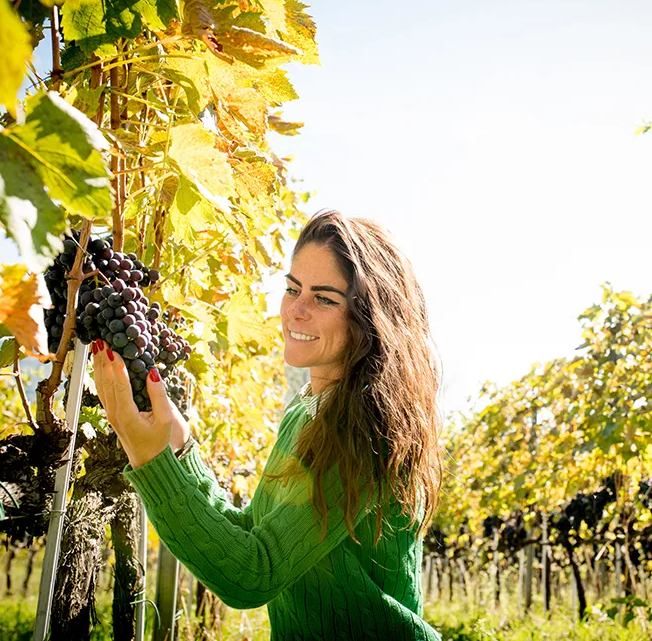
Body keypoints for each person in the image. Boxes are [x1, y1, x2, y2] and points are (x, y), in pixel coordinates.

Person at [90, 210, 444, 640]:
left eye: (325, 298)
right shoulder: (308, 409)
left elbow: (253, 574)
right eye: (293, 288)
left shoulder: (366, 428)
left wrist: (147, 455)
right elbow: (256, 534)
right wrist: (179, 450)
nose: (296, 310)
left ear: (370, 318)